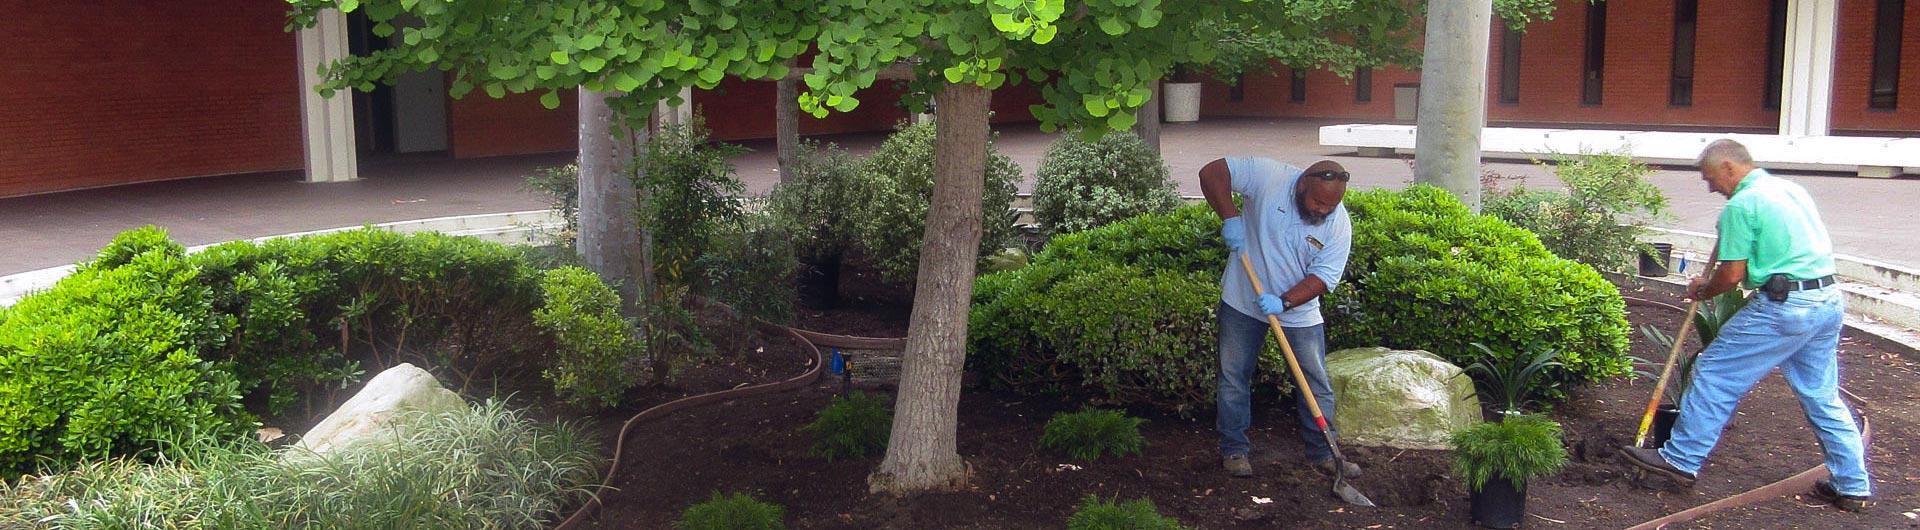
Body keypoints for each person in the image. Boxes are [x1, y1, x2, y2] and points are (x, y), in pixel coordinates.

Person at [1619, 139, 1873, 512]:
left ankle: (1681, 460)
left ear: (1728, 167)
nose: (1711, 188)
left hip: (1786, 307)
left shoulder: (1741, 206)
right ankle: (1852, 485)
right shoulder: (1789, 189)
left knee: (1715, 370)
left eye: (1710, 179)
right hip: (1827, 300)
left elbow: (1732, 274)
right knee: (1821, 395)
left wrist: (1703, 289)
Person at [1199, 156, 1354, 478]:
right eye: (1318, 201)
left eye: (1331, 205)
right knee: (1233, 378)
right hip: (1242, 300)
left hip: (1298, 312)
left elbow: (1323, 278)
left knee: (1315, 383)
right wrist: (1230, 217)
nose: (1323, 210)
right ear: (1301, 184)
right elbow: (1212, 172)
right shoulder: (1269, 177)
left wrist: (1284, 302)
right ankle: (1234, 451)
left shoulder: (1338, 225)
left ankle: (1324, 453)